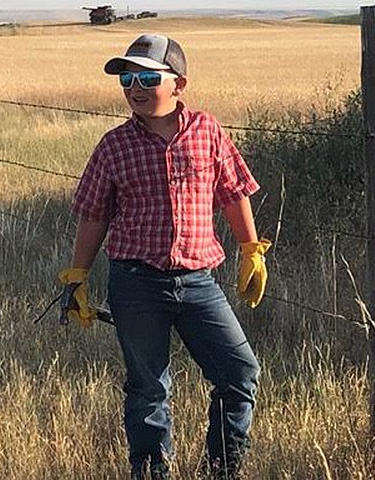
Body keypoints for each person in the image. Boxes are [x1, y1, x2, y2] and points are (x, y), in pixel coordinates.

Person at [59, 34, 271, 479]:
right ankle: (152, 472)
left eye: (146, 77)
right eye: (127, 79)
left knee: (240, 375)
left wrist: (251, 249)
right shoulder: (114, 146)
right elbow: (94, 214)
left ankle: (222, 470)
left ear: (179, 84)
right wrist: (77, 275)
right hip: (135, 283)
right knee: (148, 388)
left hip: (198, 282)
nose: (135, 88)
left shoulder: (207, 131)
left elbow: (232, 193)